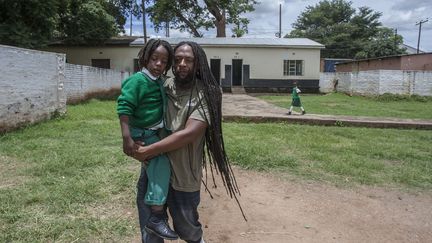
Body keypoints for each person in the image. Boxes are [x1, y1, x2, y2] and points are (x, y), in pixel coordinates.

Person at [133, 41, 244, 243]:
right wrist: (133, 139)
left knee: (189, 231)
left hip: (184, 178)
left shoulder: (207, 93)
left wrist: (148, 149)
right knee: (150, 231)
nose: (182, 64)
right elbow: (135, 106)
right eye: (177, 60)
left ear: (199, 64)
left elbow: (189, 134)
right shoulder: (163, 85)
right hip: (154, 172)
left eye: (189, 60)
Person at [116, 39, 178, 240]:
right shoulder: (137, 81)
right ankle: (156, 217)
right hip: (142, 133)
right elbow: (124, 107)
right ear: (145, 58)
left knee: (158, 164)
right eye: (154, 59)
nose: (159, 64)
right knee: (160, 164)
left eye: (164, 61)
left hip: (154, 131)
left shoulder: (157, 80)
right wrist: (127, 138)